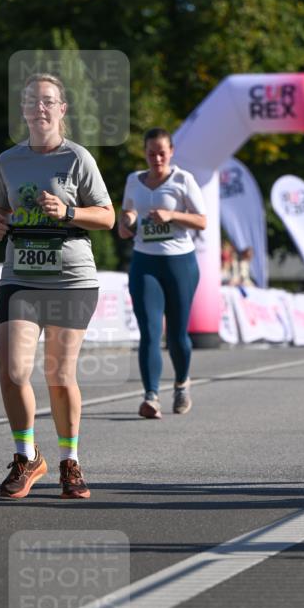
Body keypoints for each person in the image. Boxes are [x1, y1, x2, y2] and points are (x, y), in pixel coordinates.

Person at [0, 73, 115, 500]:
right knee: (12, 371)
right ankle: (27, 456)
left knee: (59, 374)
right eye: (31, 102)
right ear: (23, 111)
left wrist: (67, 210)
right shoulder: (7, 161)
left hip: (69, 280)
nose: (39, 108)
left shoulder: (77, 158)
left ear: (62, 109)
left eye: (48, 101)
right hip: (19, 278)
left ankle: (70, 461)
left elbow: (107, 216)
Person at [119, 128, 206, 418]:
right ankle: (151, 396)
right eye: (151, 153)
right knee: (150, 333)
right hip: (145, 263)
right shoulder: (134, 180)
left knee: (178, 334)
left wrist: (173, 215)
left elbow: (202, 221)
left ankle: (181, 384)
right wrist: (128, 220)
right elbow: (126, 219)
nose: (156, 158)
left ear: (171, 152)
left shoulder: (183, 180)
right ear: (144, 153)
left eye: (161, 152)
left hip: (179, 263)